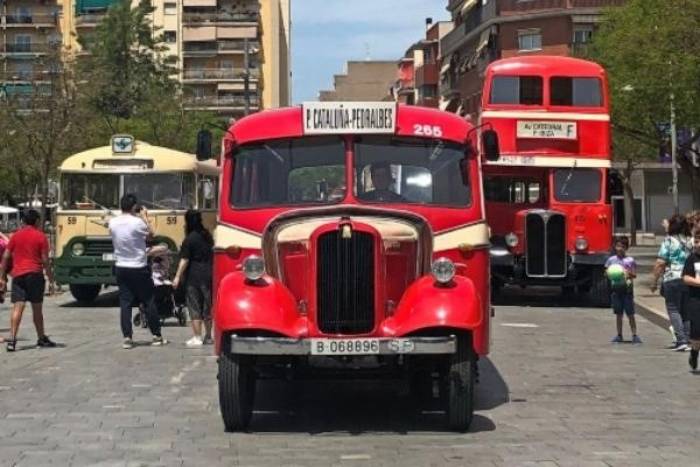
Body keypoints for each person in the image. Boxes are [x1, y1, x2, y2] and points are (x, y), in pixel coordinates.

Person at [109, 194, 167, 349]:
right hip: (139, 266)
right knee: (149, 301)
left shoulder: (112, 223)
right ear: (135, 207)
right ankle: (156, 335)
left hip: (121, 266)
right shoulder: (138, 222)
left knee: (125, 303)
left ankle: (127, 337)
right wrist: (145, 217)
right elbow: (151, 235)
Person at [0, 210, 56, 352]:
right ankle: (41, 337)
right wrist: (50, 279)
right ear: (37, 221)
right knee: (37, 308)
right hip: (35, 275)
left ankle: (12, 340)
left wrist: (2, 276)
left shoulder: (15, 236)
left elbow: (6, 257)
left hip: (18, 276)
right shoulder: (41, 237)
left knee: (18, 307)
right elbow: (45, 260)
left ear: (24, 221)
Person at [651, 214, 692, 351]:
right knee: (686, 311)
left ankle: (681, 340)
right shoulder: (690, 240)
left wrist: (654, 281)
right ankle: (687, 338)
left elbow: (660, 262)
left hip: (672, 278)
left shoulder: (668, 241)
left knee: (673, 309)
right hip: (688, 279)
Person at [173, 210, 213, 347]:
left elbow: (184, 259)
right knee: (208, 306)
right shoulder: (207, 236)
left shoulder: (190, 239)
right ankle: (208, 336)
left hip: (194, 276)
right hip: (208, 274)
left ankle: (197, 337)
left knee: (194, 305)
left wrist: (177, 276)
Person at [605, 236, 642, 344]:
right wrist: (610, 274)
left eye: (622, 247)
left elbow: (634, 274)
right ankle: (619, 335)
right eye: (618, 246)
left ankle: (635, 335)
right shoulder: (611, 260)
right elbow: (606, 273)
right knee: (618, 314)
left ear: (626, 248)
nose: (620, 248)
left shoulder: (630, 260)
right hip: (616, 290)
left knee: (630, 313)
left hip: (627, 290)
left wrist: (627, 273)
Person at [682, 227, 700, 371]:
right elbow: (686, 278)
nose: (698, 244)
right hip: (696, 300)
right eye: (696, 241)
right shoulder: (691, 259)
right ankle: (694, 352)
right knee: (697, 331)